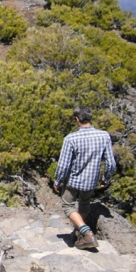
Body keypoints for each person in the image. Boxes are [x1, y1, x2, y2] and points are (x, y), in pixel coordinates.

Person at [53, 105, 116, 250]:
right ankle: (77, 233)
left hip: (73, 181)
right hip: (91, 181)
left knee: (67, 206)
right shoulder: (104, 136)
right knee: (84, 205)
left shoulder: (71, 138)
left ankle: (86, 232)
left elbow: (63, 165)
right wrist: (106, 178)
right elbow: (111, 163)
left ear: (77, 119)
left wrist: (58, 180)